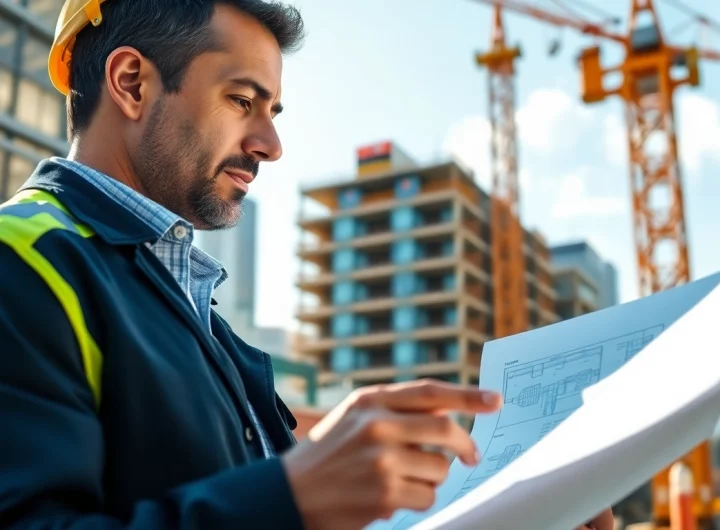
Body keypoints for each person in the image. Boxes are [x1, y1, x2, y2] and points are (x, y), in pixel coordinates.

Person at [0, 0, 613, 529]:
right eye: (243, 100)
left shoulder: (194, 314)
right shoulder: (19, 261)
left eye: (273, 112)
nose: (270, 145)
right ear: (132, 82)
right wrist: (294, 495)